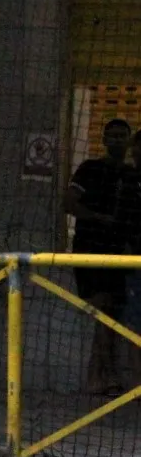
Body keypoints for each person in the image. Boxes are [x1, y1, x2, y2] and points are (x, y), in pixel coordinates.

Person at [66, 118, 138, 395]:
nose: (118, 140)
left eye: (123, 135)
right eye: (113, 136)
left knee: (111, 315)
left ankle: (98, 375)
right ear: (105, 140)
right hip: (90, 253)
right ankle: (105, 376)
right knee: (104, 310)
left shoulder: (132, 176)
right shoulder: (90, 170)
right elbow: (68, 202)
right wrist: (98, 219)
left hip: (120, 255)